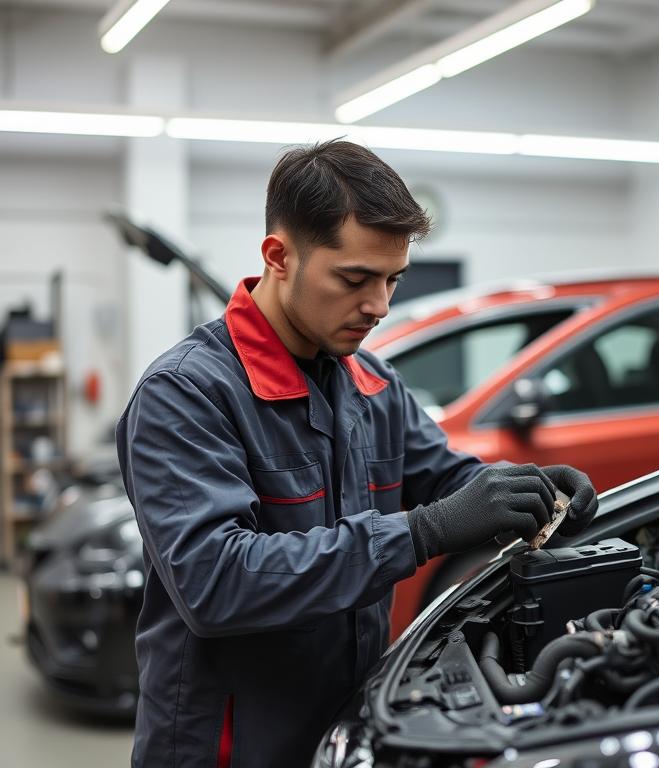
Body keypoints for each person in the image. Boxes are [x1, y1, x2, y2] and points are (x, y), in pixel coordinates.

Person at [116, 140, 598, 767]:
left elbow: (449, 479)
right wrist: (420, 532)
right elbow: (216, 582)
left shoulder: (368, 381)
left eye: (392, 279)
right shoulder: (186, 394)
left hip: (350, 727)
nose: (378, 305)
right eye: (354, 279)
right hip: (230, 747)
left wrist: (526, 488)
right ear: (278, 256)